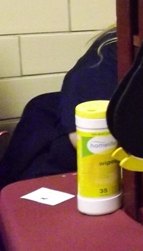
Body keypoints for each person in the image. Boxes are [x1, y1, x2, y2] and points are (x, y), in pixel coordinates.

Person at [0, 30, 118, 188]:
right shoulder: (111, 46)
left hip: (88, 157)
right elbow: (89, 143)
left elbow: (89, 144)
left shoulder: (111, 47)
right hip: (82, 153)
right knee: (41, 107)